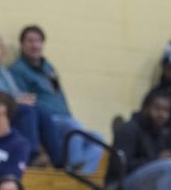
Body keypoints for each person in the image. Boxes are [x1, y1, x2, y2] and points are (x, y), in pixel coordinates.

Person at [9, 25, 102, 173]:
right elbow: (25, 100)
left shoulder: (48, 68)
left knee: (98, 139)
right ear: (22, 44)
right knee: (74, 127)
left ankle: (81, 178)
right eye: (30, 41)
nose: (35, 45)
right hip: (49, 121)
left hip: (66, 118)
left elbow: (59, 95)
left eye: (39, 41)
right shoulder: (17, 70)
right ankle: (70, 170)